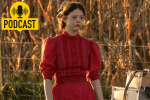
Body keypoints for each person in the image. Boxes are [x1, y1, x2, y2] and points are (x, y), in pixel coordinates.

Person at [40, 1, 104, 100]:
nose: (78, 20)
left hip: (85, 94)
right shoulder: (53, 44)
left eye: (81, 17)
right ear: (64, 19)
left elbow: (94, 76)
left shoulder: (89, 45)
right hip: (62, 94)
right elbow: (47, 76)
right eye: (74, 17)